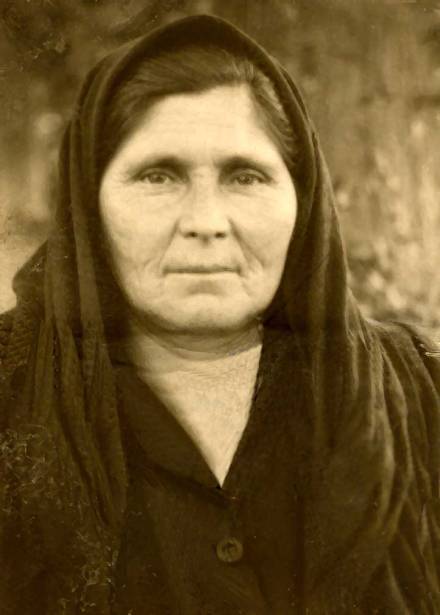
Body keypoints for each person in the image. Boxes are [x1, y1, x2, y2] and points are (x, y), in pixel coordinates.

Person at [0, 13, 439, 615]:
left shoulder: (421, 394)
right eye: (158, 175)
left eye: (245, 176)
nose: (205, 222)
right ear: (89, 202)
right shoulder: (11, 388)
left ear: (303, 196)